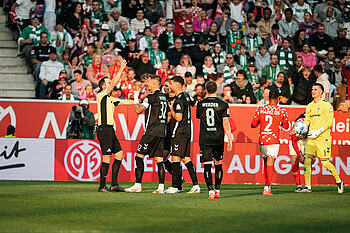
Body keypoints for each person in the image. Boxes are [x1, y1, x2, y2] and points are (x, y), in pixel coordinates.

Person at [125, 75, 168, 193]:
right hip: (161, 132)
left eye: (149, 83)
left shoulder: (151, 97)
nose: (147, 84)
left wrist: (135, 97)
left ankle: (137, 185)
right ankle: (161, 187)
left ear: (154, 84)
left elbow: (138, 110)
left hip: (151, 131)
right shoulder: (164, 97)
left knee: (139, 156)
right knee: (159, 159)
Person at [302, 83, 344, 193]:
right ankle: (308, 187)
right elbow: (307, 121)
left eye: (315, 89)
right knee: (307, 160)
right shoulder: (309, 106)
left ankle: (339, 181)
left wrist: (319, 131)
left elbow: (330, 122)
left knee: (325, 162)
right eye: (312, 89)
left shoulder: (326, 105)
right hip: (311, 138)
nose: (313, 91)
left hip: (323, 138)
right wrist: (303, 128)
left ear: (321, 92)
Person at [196, 81, 232, 199]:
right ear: (216, 90)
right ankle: (217, 190)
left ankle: (210, 191)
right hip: (218, 138)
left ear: (206, 90)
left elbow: (200, 121)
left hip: (205, 138)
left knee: (207, 165)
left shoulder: (200, 104)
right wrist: (230, 139)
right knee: (218, 164)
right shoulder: (223, 104)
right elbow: (225, 122)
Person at [96, 57, 127, 192]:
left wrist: (143, 103)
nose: (111, 84)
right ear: (104, 86)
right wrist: (121, 69)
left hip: (110, 130)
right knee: (107, 157)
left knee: (119, 155)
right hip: (104, 129)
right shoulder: (101, 95)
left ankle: (114, 184)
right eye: (108, 83)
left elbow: (126, 102)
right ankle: (102, 186)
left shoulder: (111, 99)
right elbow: (114, 83)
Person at [165, 76, 200, 194]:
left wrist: (171, 110)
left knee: (175, 157)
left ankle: (176, 186)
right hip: (187, 132)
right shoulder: (186, 95)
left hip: (179, 131)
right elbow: (194, 103)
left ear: (177, 85)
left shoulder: (179, 99)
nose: (170, 86)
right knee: (186, 158)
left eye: (172, 84)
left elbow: (178, 117)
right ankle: (195, 185)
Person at [251, 90, 289, 195]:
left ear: (268, 98)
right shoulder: (282, 110)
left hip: (262, 138)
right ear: (278, 99)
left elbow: (253, 124)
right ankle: (267, 187)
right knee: (270, 163)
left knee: (265, 162)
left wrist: (260, 122)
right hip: (273, 139)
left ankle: (266, 185)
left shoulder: (261, 109)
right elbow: (286, 126)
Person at [289, 113, 306, 192]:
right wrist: (299, 155)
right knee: (295, 160)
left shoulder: (310, 127)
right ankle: (298, 185)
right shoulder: (294, 130)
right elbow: (293, 142)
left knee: (308, 160)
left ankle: (307, 185)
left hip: (306, 140)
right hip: (296, 141)